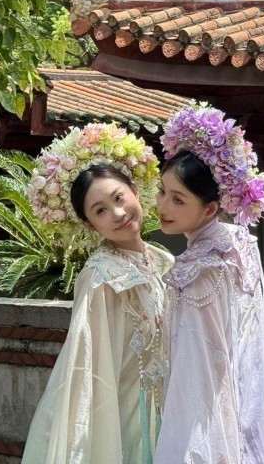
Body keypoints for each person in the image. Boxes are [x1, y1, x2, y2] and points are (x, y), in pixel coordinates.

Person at [22, 124, 173, 464]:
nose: (118, 213)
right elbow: (89, 364)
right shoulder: (102, 276)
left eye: (119, 198)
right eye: (100, 210)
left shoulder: (164, 262)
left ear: (135, 191)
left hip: (173, 407)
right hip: (127, 417)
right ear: (90, 225)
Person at [154, 104, 264, 463]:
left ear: (210, 209)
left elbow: (196, 369)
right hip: (254, 402)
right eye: (161, 191)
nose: (163, 207)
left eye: (177, 199)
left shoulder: (195, 270)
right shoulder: (242, 243)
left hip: (212, 416)